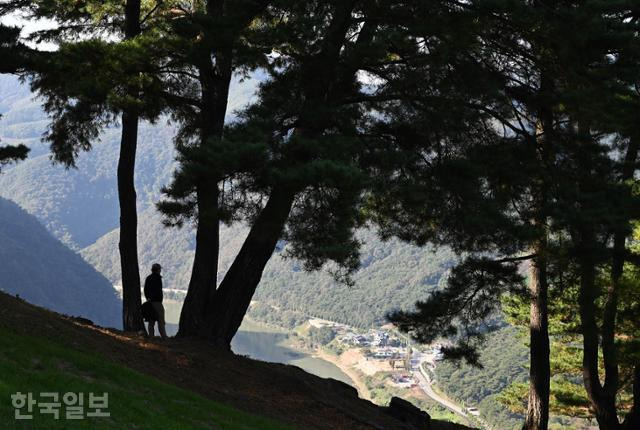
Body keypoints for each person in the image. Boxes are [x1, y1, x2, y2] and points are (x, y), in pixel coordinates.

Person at [144, 263, 167, 339]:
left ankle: (151, 336)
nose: (160, 271)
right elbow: (158, 290)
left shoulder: (148, 278)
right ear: (158, 270)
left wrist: (148, 298)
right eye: (160, 269)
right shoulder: (158, 278)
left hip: (150, 302)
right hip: (157, 302)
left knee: (151, 319)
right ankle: (163, 336)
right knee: (161, 319)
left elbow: (145, 290)